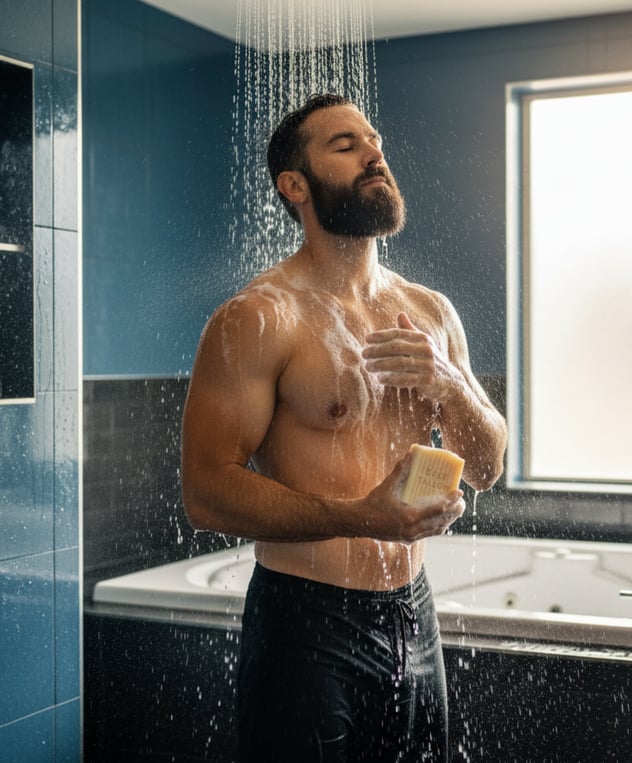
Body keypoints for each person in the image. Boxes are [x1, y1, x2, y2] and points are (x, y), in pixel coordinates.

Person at [181, 93, 507, 762]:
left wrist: (448, 382)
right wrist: (361, 514)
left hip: (413, 614)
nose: (374, 154)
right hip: (306, 621)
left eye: (374, 141)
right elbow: (206, 492)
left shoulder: (430, 311)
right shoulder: (259, 318)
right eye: (345, 145)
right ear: (295, 186)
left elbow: (489, 464)